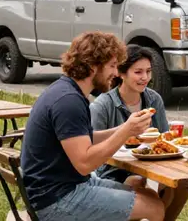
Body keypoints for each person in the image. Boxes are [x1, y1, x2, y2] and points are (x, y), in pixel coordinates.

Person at [21, 31, 165, 221]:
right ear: (92, 66)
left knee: (149, 195)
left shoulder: (68, 91)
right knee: (153, 208)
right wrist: (125, 131)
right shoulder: (68, 101)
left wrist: (129, 129)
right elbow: (85, 164)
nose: (115, 73)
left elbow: (85, 138)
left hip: (58, 189)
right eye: (112, 66)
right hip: (56, 199)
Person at [91, 44, 188, 221]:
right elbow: (92, 150)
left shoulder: (153, 99)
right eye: (138, 72)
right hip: (112, 171)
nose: (145, 77)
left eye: (148, 71)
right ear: (121, 73)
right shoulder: (102, 105)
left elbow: (164, 140)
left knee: (181, 186)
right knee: (137, 182)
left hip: (151, 167)